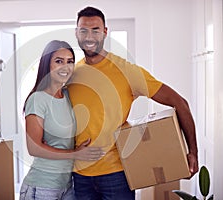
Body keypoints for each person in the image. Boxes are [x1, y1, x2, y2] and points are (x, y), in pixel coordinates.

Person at [67, 6, 199, 200]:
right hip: (79, 176)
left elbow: (180, 103)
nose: (89, 36)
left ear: (105, 32)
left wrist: (192, 152)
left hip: (116, 175)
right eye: (83, 30)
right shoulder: (73, 73)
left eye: (95, 30)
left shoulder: (126, 71)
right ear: (76, 33)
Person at [19, 40, 104, 200]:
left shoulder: (67, 96)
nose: (65, 67)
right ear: (47, 64)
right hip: (42, 186)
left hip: (66, 186)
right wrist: (75, 153)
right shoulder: (38, 99)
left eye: (70, 61)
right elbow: (34, 148)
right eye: (59, 61)